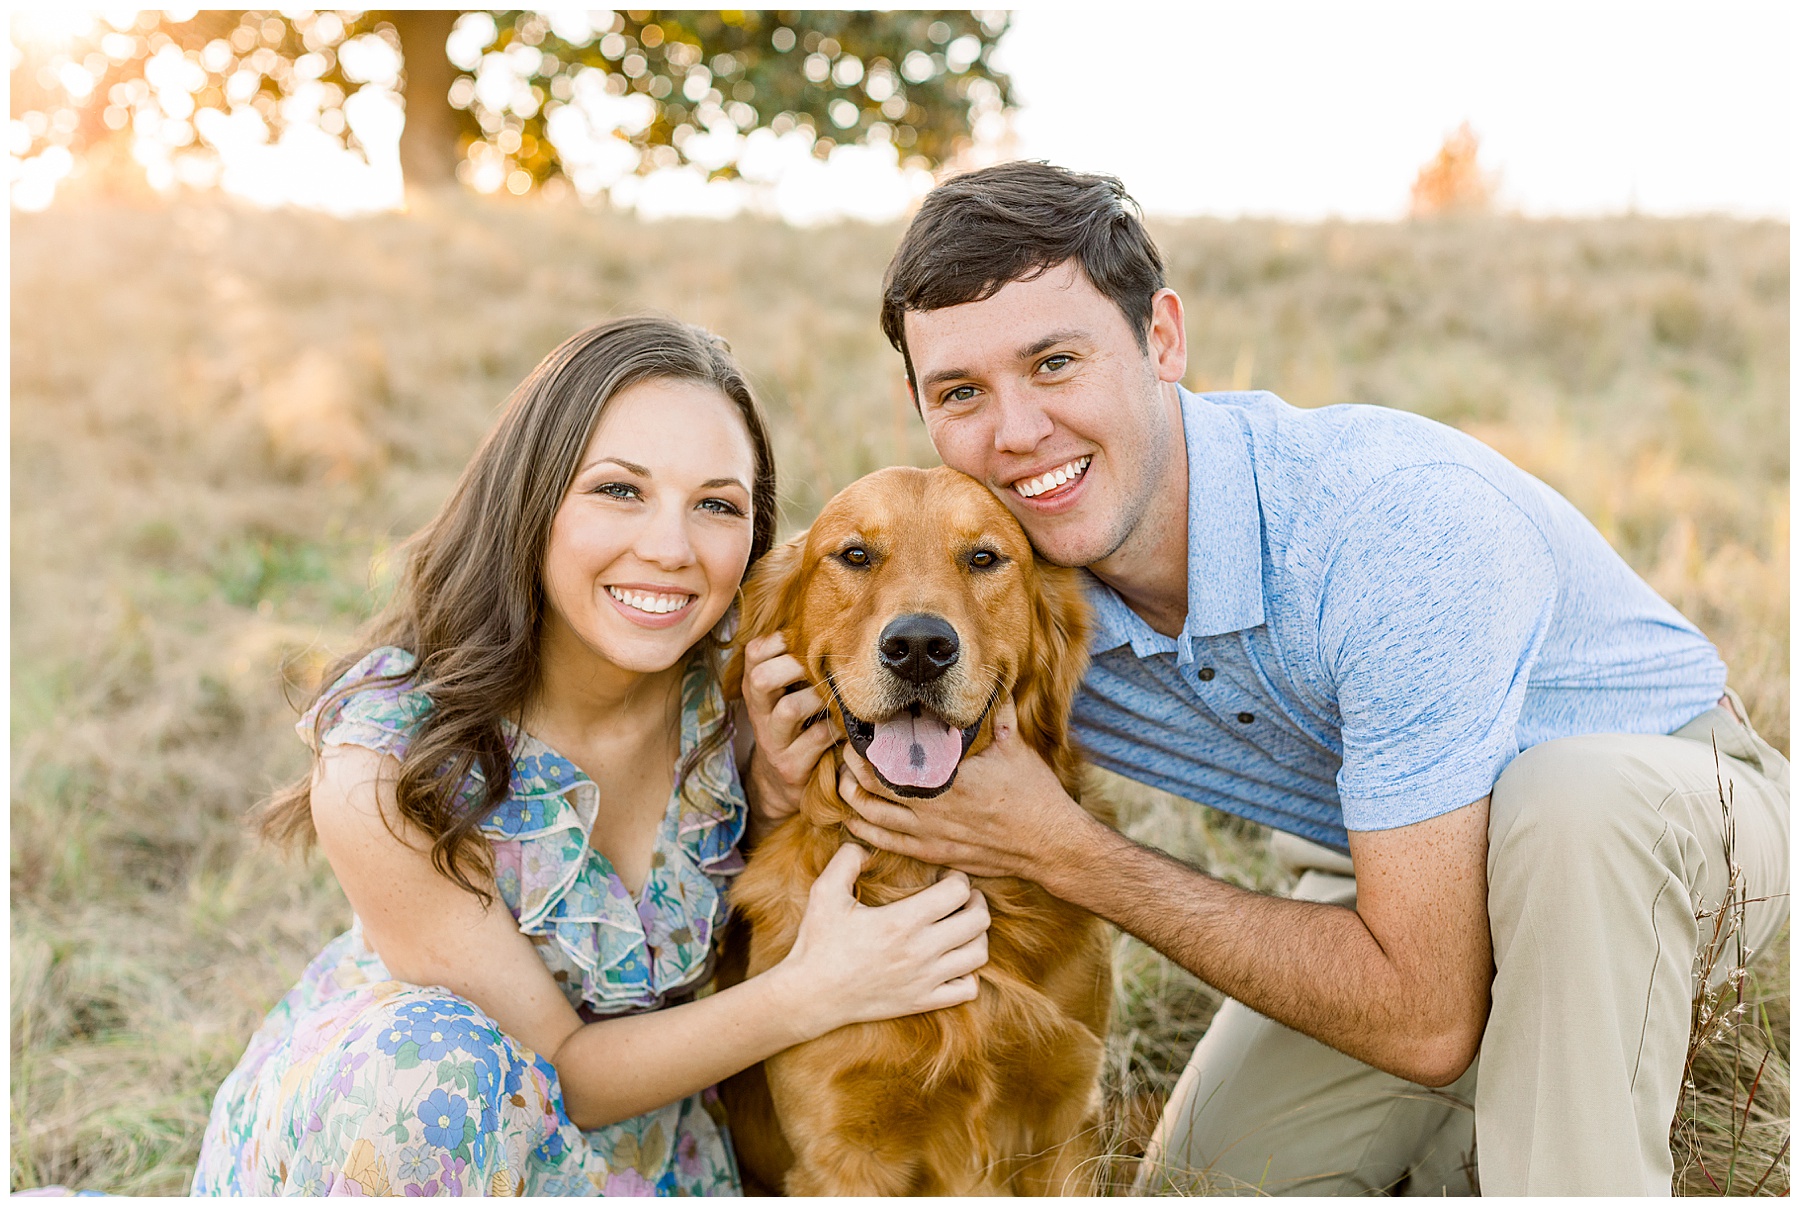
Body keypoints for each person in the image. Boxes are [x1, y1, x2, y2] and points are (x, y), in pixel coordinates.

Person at [739, 163, 1789, 1195]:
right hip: (1396, 874)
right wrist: (775, 763)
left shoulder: (1391, 527)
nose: (1015, 433)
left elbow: (1420, 1016)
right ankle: (1473, 1133)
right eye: (962, 391)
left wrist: (1066, 852)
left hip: (1669, 821)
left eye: (1055, 362)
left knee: (1564, 809)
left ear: (1162, 339)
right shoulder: (1013, 597)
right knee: (1209, 1181)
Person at [192, 316, 991, 1196]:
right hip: (411, 1138)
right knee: (433, 1068)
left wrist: (767, 791)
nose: (669, 547)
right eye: (620, 490)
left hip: (650, 1164)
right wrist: (817, 989)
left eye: (717, 504)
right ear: (533, 498)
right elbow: (562, 1067)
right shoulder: (383, 759)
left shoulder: (749, 686)